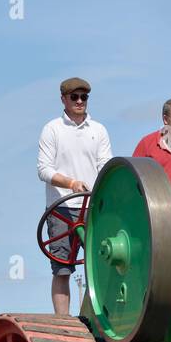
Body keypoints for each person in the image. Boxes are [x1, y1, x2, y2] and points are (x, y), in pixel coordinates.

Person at [37, 77, 114, 315]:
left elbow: (106, 164)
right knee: (62, 269)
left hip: (92, 207)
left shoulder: (98, 130)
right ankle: (64, 324)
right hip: (61, 209)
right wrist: (70, 183)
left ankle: (100, 320)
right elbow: (44, 169)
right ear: (64, 100)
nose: (80, 101)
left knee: (100, 265)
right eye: (75, 97)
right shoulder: (52, 129)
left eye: (84, 97)